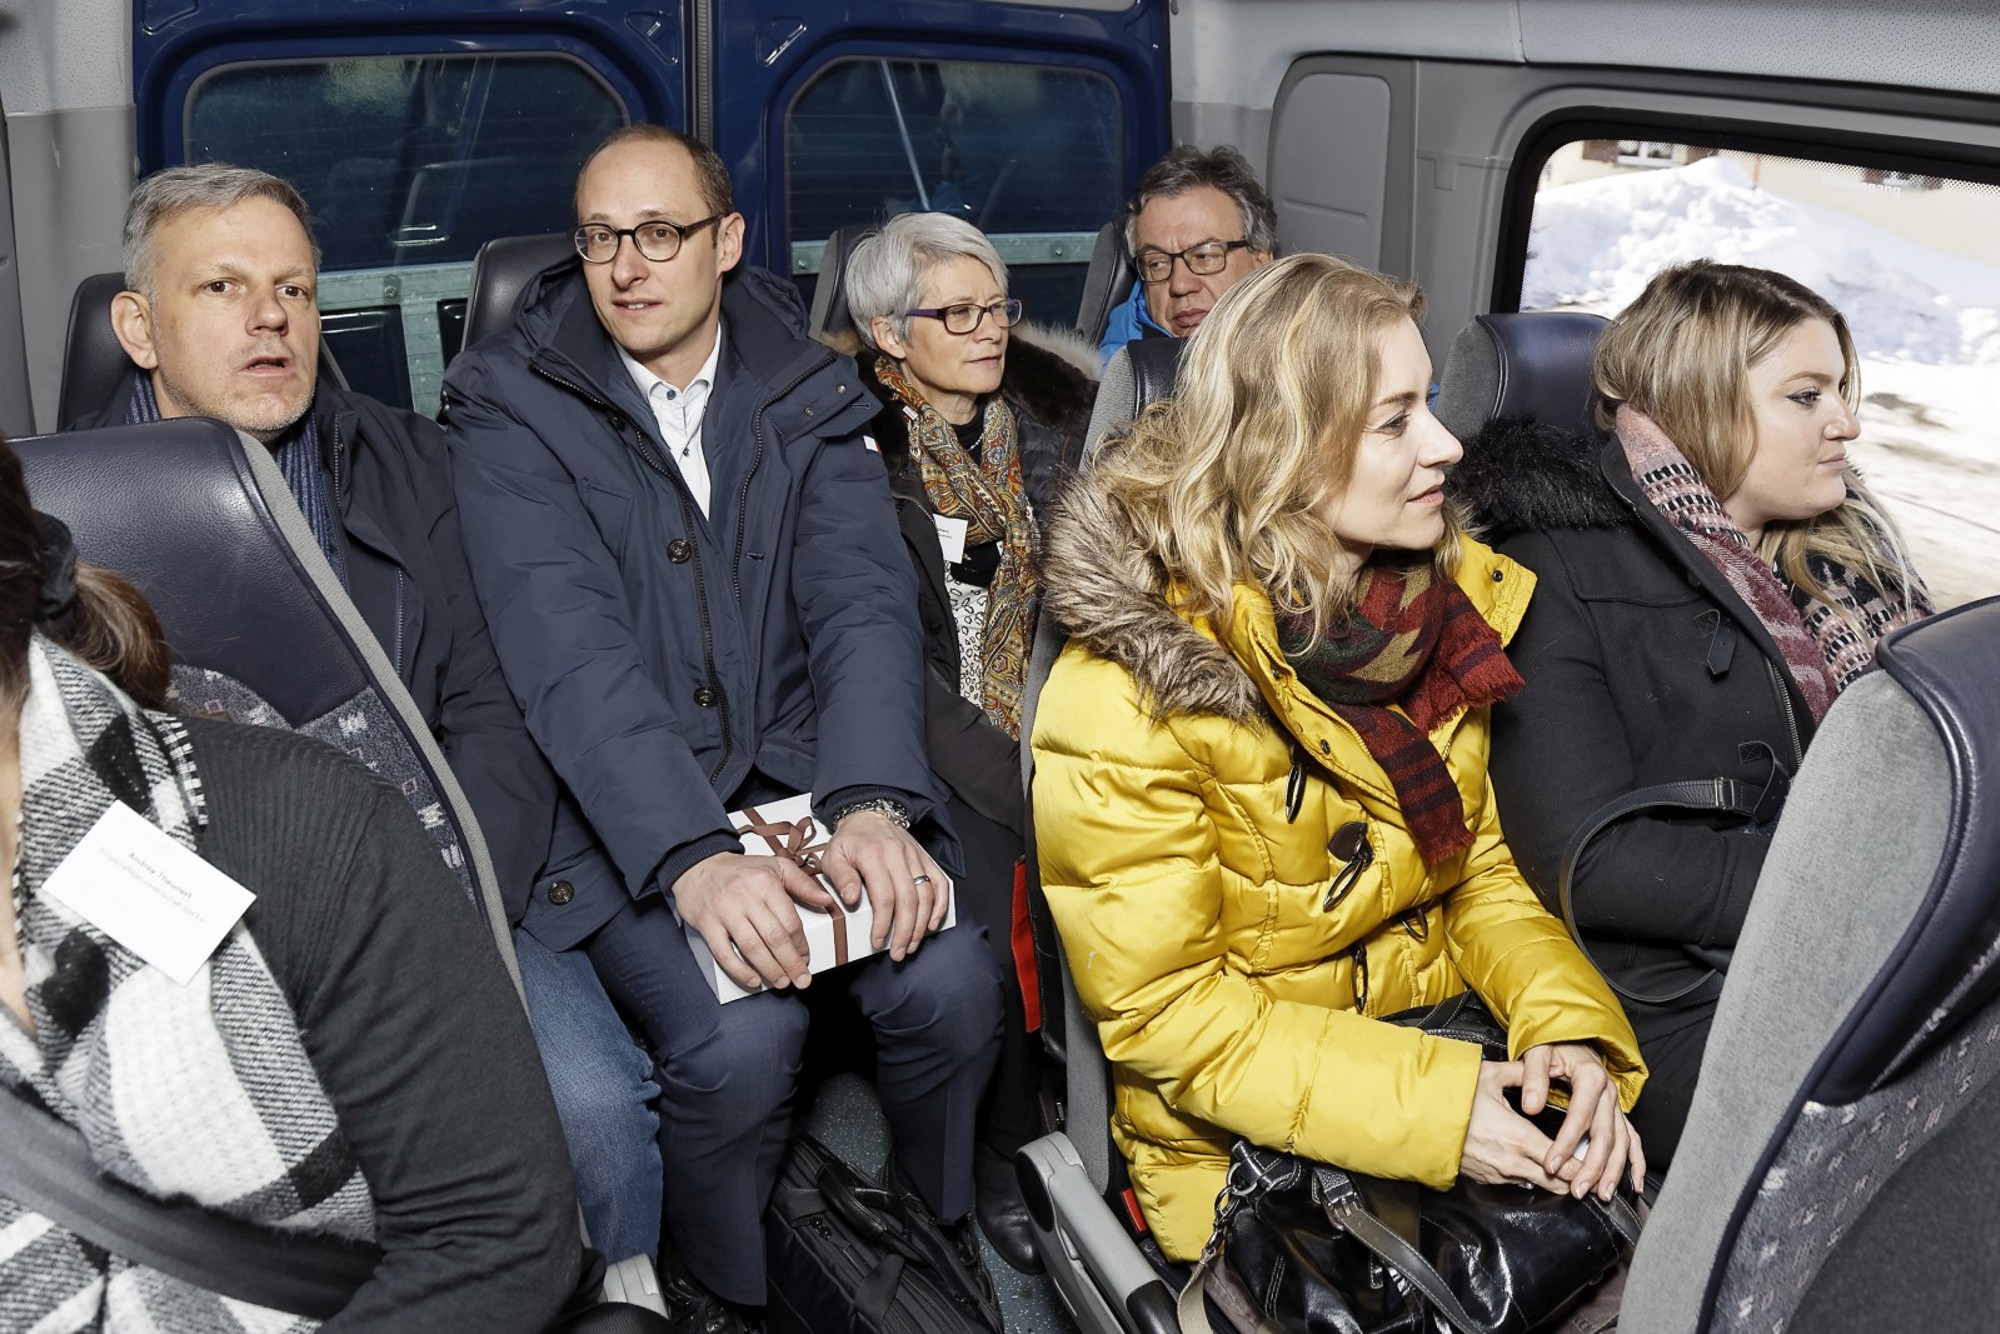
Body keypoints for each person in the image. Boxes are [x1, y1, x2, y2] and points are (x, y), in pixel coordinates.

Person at [443, 123, 1004, 1326]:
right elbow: (569, 658)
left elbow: (859, 607)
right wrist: (692, 856)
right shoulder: (507, 403)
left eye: (659, 233)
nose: (625, 266)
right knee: (741, 1044)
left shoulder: (805, 384)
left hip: (807, 769)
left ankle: (927, 1227)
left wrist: (870, 801)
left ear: (727, 239)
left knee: (955, 979)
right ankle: (723, 1283)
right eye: (600, 237)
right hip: (626, 807)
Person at [65, 164, 662, 1272]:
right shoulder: (62, 521)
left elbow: (493, 709)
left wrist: (440, 909)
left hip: (440, 879)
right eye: (224, 287)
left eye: (294, 290)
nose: (271, 318)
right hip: (195, 929)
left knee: (595, 1122)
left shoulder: (415, 463)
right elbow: (65, 781)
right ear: (139, 328)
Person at [1032, 253, 1648, 1265]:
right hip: (1249, 1156)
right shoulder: (1129, 693)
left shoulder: (1439, 611)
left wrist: (1562, 1029)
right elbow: (1171, 1018)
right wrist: (1435, 1112)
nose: (1447, 446)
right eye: (1393, 421)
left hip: (1449, 1047)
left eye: (1428, 404)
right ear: (1280, 450)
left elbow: (1478, 875)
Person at [0, 437, 581, 1329]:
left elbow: (509, 703)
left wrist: (467, 906)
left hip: (478, 891)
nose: (275, 342)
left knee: (613, 1106)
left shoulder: (301, 825)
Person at [1458, 260, 1934, 1164]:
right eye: (1807, 396)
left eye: (1841, 390)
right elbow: (1590, 861)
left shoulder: (1848, 561)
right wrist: (1856, 890)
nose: (1846, 423)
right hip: (1673, 995)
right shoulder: (1556, 566)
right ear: (1702, 403)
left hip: (1832, 941)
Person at [836, 212, 1099, 1273]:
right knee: (995, 910)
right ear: (888, 335)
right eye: (957, 313)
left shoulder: (1047, 424)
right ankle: (1004, 1147)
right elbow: (878, 656)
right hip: (922, 731)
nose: (989, 329)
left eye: (997, 306)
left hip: (1057, 709)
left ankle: (1108, 1112)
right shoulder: (848, 453)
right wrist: (1011, 769)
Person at [1096, 143, 1277, 364]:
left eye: (1204, 256)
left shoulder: (1307, 350)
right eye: (1157, 264)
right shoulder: (1120, 372)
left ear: (1261, 261)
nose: (1180, 285)